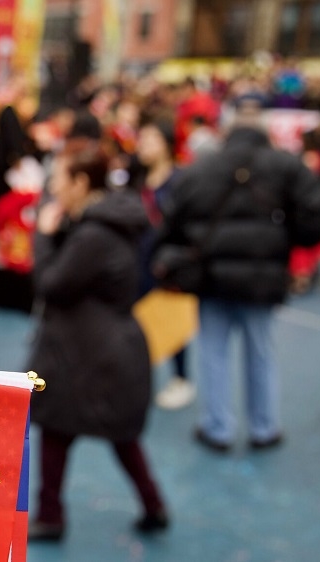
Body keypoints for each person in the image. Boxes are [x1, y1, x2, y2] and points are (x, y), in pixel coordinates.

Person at [154, 104, 320, 452]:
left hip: (211, 277)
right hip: (263, 277)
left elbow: (172, 217)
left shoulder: (202, 167)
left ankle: (217, 427)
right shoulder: (284, 165)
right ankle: (264, 427)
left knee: (213, 353)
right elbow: (317, 209)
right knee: (261, 353)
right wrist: (291, 239)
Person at [28, 140, 167, 541]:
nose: (53, 186)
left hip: (90, 352)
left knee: (65, 428)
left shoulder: (94, 234)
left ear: (81, 182)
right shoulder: (101, 224)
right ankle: (151, 505)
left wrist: (44, 237)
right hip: (99, 347)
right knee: (99, 433)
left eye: (59, 178)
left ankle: (53, 515)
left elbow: (52, 283)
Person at [135, 119, 195, 410]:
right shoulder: (138, 180)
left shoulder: (181, 181)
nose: (143, 144)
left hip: (169, 267)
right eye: (142, 138)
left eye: (151, 138)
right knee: (140, 324)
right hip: (139, 263)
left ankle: (181, 379)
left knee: (174, 325)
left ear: (167, 143)